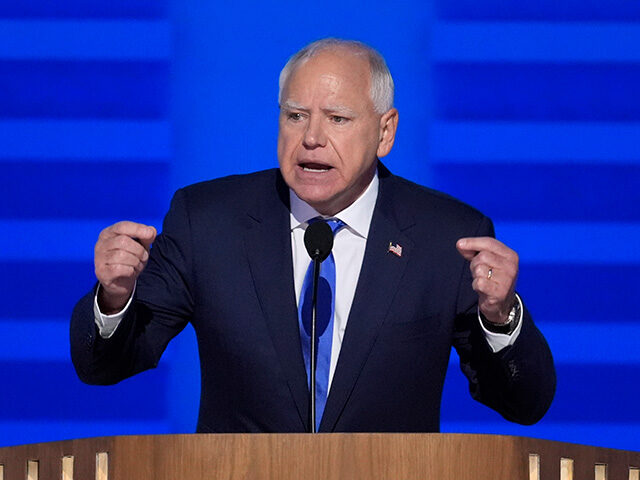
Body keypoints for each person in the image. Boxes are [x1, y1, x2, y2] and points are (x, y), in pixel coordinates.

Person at [71, 38, 555, 433]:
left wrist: (501, 317)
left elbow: (524, 403)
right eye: (295, 115)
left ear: (385, 132)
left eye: (338, 119)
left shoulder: (446, 236)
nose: (311, 138)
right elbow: (105, 366)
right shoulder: (207, 220)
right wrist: (114, 300)